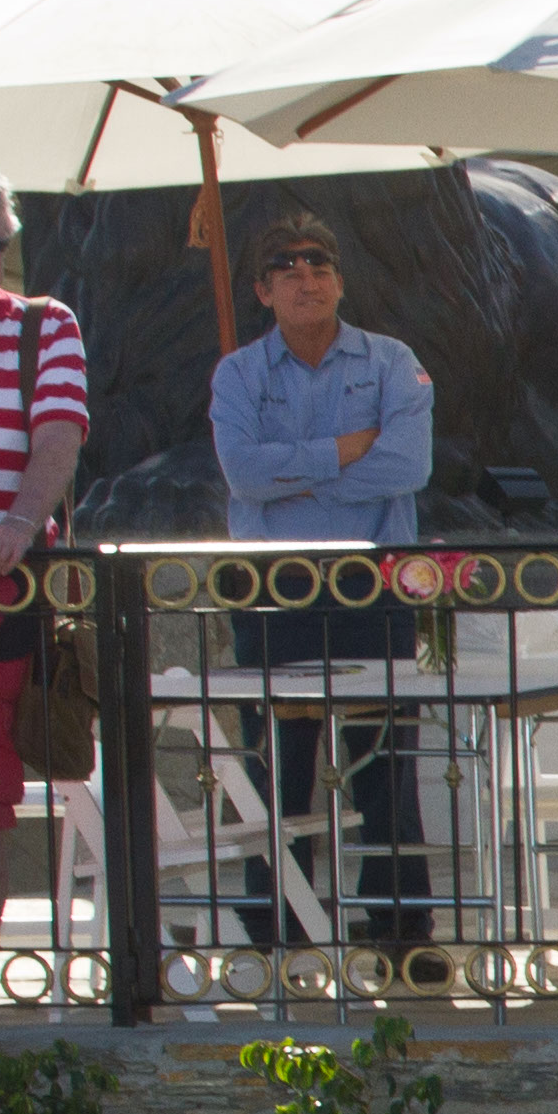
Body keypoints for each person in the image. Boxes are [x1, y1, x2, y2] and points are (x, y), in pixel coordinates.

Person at [206, 209, 436, 945]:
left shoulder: (392, 362)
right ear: (262, 291)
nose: (305, 277)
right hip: (273, 587)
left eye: (320, 265)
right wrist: (343, 451)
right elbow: (243, 474)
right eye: (287, 268)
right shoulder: (238, 374)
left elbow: (408, 465)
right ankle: (278, 926)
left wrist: (294, 475)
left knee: (385, 763)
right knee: (275, 765)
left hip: (374, 582)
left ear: (340, 281)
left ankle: (401, 930)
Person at [0, 178, 90, 888]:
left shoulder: (44, 324)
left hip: (7, 586)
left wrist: (21, 522)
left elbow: (60, 434)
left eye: (0, 243)